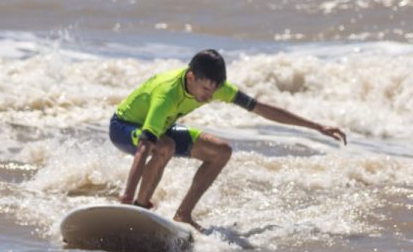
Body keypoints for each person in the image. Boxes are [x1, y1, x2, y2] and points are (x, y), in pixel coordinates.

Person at [110, 49, 347, 231]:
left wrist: (316, 126)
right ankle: (138, 209)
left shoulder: (214, 87)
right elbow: (143, 148)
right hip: (124, 127)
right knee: (165, 146)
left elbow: (260, 108)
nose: (208, 96)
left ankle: (183, 215)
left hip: (162, 129)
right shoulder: (166, 94)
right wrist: (127, 197)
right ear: (191, 77)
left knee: (221, 151)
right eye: (204, 89)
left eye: (213, 91)